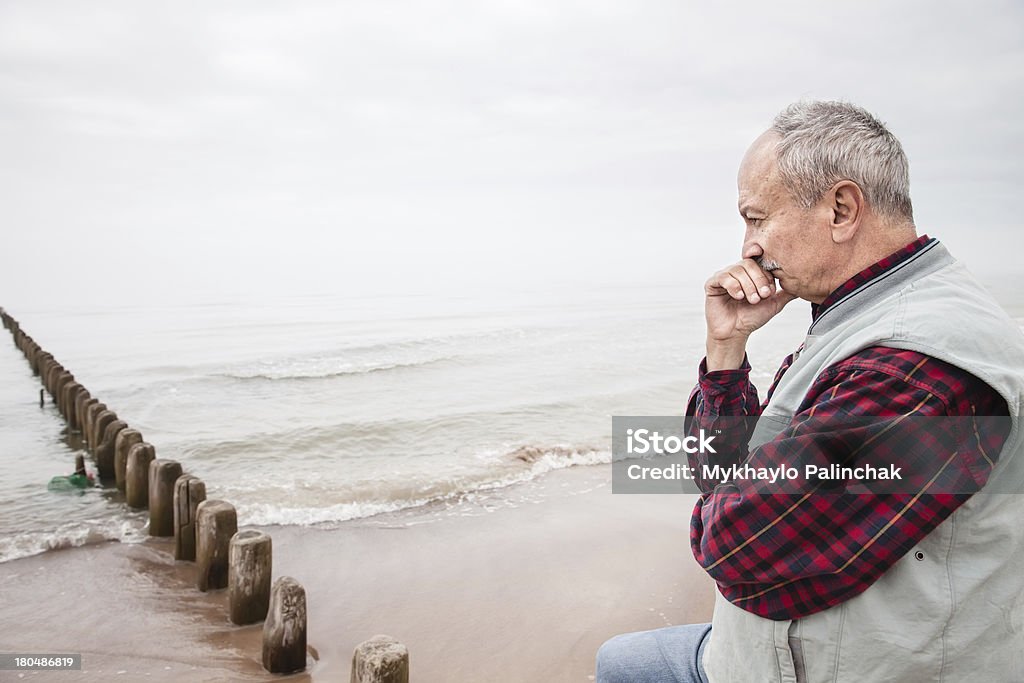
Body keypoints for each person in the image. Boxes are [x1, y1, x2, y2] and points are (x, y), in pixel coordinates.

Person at [596, 101, 1024, 682]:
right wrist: (726, 351)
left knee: (623, 666)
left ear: (842, 209)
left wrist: (738, 497)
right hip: (770, 653)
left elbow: (737, 548)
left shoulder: (913, 365)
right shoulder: (870, 314)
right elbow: (722, 481)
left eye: (755, 217)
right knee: (619, 659)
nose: (747, 247)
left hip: (855, 666)